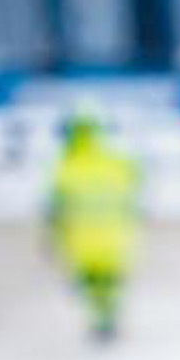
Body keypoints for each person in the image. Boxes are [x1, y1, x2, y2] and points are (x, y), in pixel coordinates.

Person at [43, 108, 140, 343]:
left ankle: (100, 320)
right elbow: (136, 191)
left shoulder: (65, 166)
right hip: (115, 236)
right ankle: (107, 318)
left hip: (80, 239)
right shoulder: (118, 162)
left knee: (89, 283)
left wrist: (50, 238)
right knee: (109, 283)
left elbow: (55, 206)